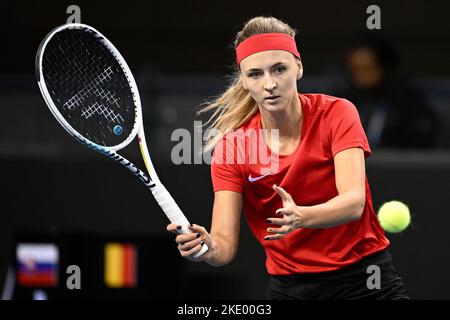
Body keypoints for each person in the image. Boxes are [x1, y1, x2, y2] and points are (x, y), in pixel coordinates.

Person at [167, 16, 409, 300]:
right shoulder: (233, 148)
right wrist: (205, 248)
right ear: (244, 81)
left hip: (366, 279)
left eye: (279, 69)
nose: (269, 84)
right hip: (292, 290)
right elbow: (224, 246)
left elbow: (353, 203)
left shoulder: (337, 113)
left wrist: (302, 216)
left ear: (299, 67)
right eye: (255, 74)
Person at [336, 35, 438, 149]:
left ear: (385, 67)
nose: (359, 76)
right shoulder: (345, 100)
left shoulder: (410, 103)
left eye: (366, 69)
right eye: (354, 69)